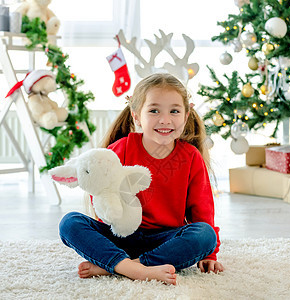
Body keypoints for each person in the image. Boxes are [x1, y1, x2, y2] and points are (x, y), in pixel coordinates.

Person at [59, 73, 224, 285]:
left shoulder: (191, 157)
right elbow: (101, 195)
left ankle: (118, 266)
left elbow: (202, 210)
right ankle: (130, 267)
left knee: (205, 235)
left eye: (174, 111)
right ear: (136, 116)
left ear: (186, 114)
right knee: (70, 223)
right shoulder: (121, 149)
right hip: (119, 236)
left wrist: (210, 254)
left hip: (165, 240)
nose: (165, 119)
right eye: (154, 111)